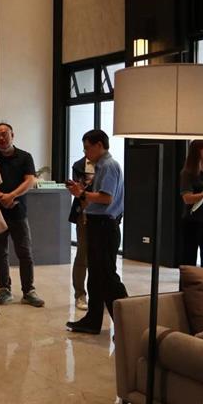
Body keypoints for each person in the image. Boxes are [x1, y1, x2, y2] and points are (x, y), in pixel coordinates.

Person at [66, 129, 128, 334]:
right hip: (98, 225)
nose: (85, 153)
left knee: (107, 277)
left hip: (104, 227)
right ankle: (92, 320)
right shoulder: (101, 166)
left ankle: (127, 322)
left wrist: (81, 193)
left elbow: (106, 198)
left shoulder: (108, 166)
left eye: (87, 148)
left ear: (99, 145)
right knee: (95, 277)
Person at [0, 123, 45, 308]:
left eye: (4, 134)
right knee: (0, 252)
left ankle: (29, 291)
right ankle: (4, 289)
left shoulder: (25, 156)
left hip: (18, 211)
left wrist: (12, 195)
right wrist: (1, 196)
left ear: (12, 135)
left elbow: (30, 180)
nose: (1, 138)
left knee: (25, 252)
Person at [179, 139, 203, 268]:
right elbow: (187, 198)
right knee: (189, 258)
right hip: (193, 220)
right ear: (196, 151)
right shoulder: (187, 173)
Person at [68, 156, 94, 309]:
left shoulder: (107, 165)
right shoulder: (79, 165)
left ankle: (99, 294)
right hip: (84, 212)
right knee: (82, 253)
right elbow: (79, 191)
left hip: (104, 214)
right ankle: (80, 294)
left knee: (101, 257)